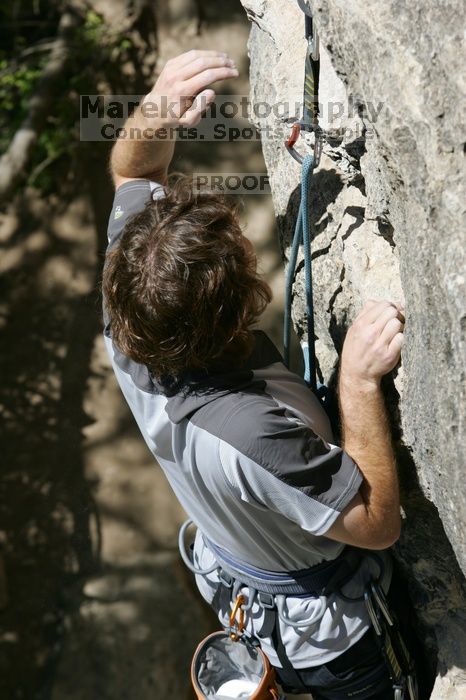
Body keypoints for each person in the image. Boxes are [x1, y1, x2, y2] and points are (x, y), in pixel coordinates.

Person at [102, 50, 415, 699]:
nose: (245, 236)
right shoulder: (252, 432)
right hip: (333, 646)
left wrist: (159, 105)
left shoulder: (131, 305)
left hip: (241, 578)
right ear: (239, 303)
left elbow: (132, 168)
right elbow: (378, 522)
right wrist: (357, 384)